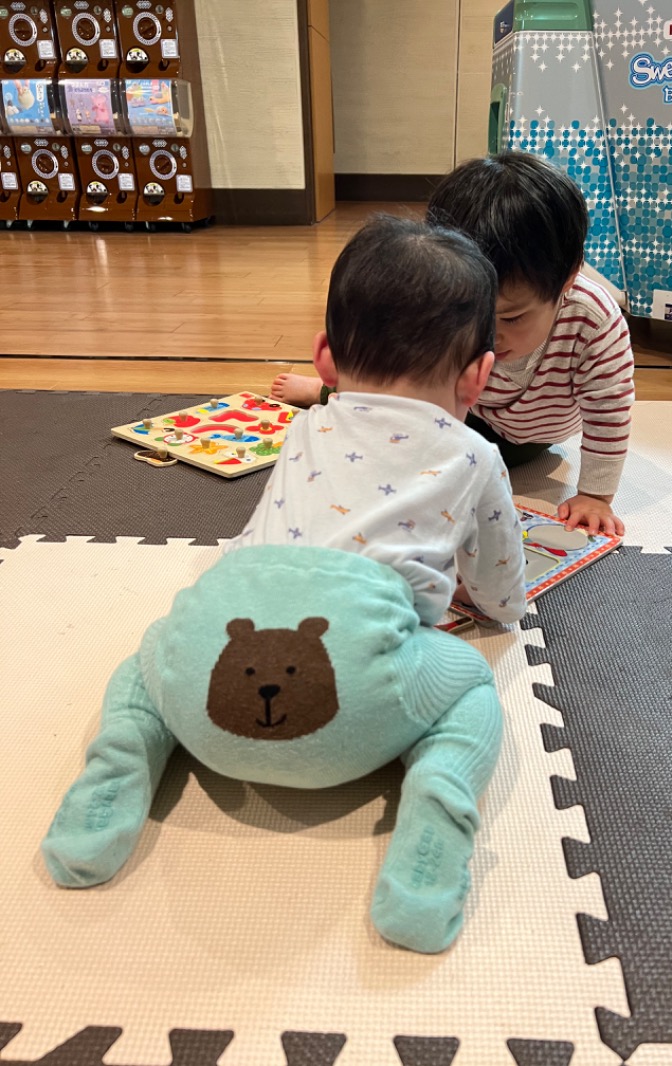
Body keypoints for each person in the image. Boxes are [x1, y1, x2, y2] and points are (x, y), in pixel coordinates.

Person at [41, 215, 527, 956]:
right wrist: (494, 608)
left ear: (325, 359)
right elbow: (498, 589)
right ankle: (434, 830)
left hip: (211, 686)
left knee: (149, 655)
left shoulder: (303, 427)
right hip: (355, 707)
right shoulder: (475, 455)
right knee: (468, 689)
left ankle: (118, 770)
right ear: (479, 376)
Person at [272, 152, 634, 536]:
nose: (487, 334)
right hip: (460, 405)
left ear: (567, 280)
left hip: (533, 434)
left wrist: (596, 496)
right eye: (473, 311)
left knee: (477, 469)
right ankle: (324, 391)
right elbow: (392, 369)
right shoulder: (439, 295)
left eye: (511, 318)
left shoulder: (592, 321)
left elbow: (609, 412)